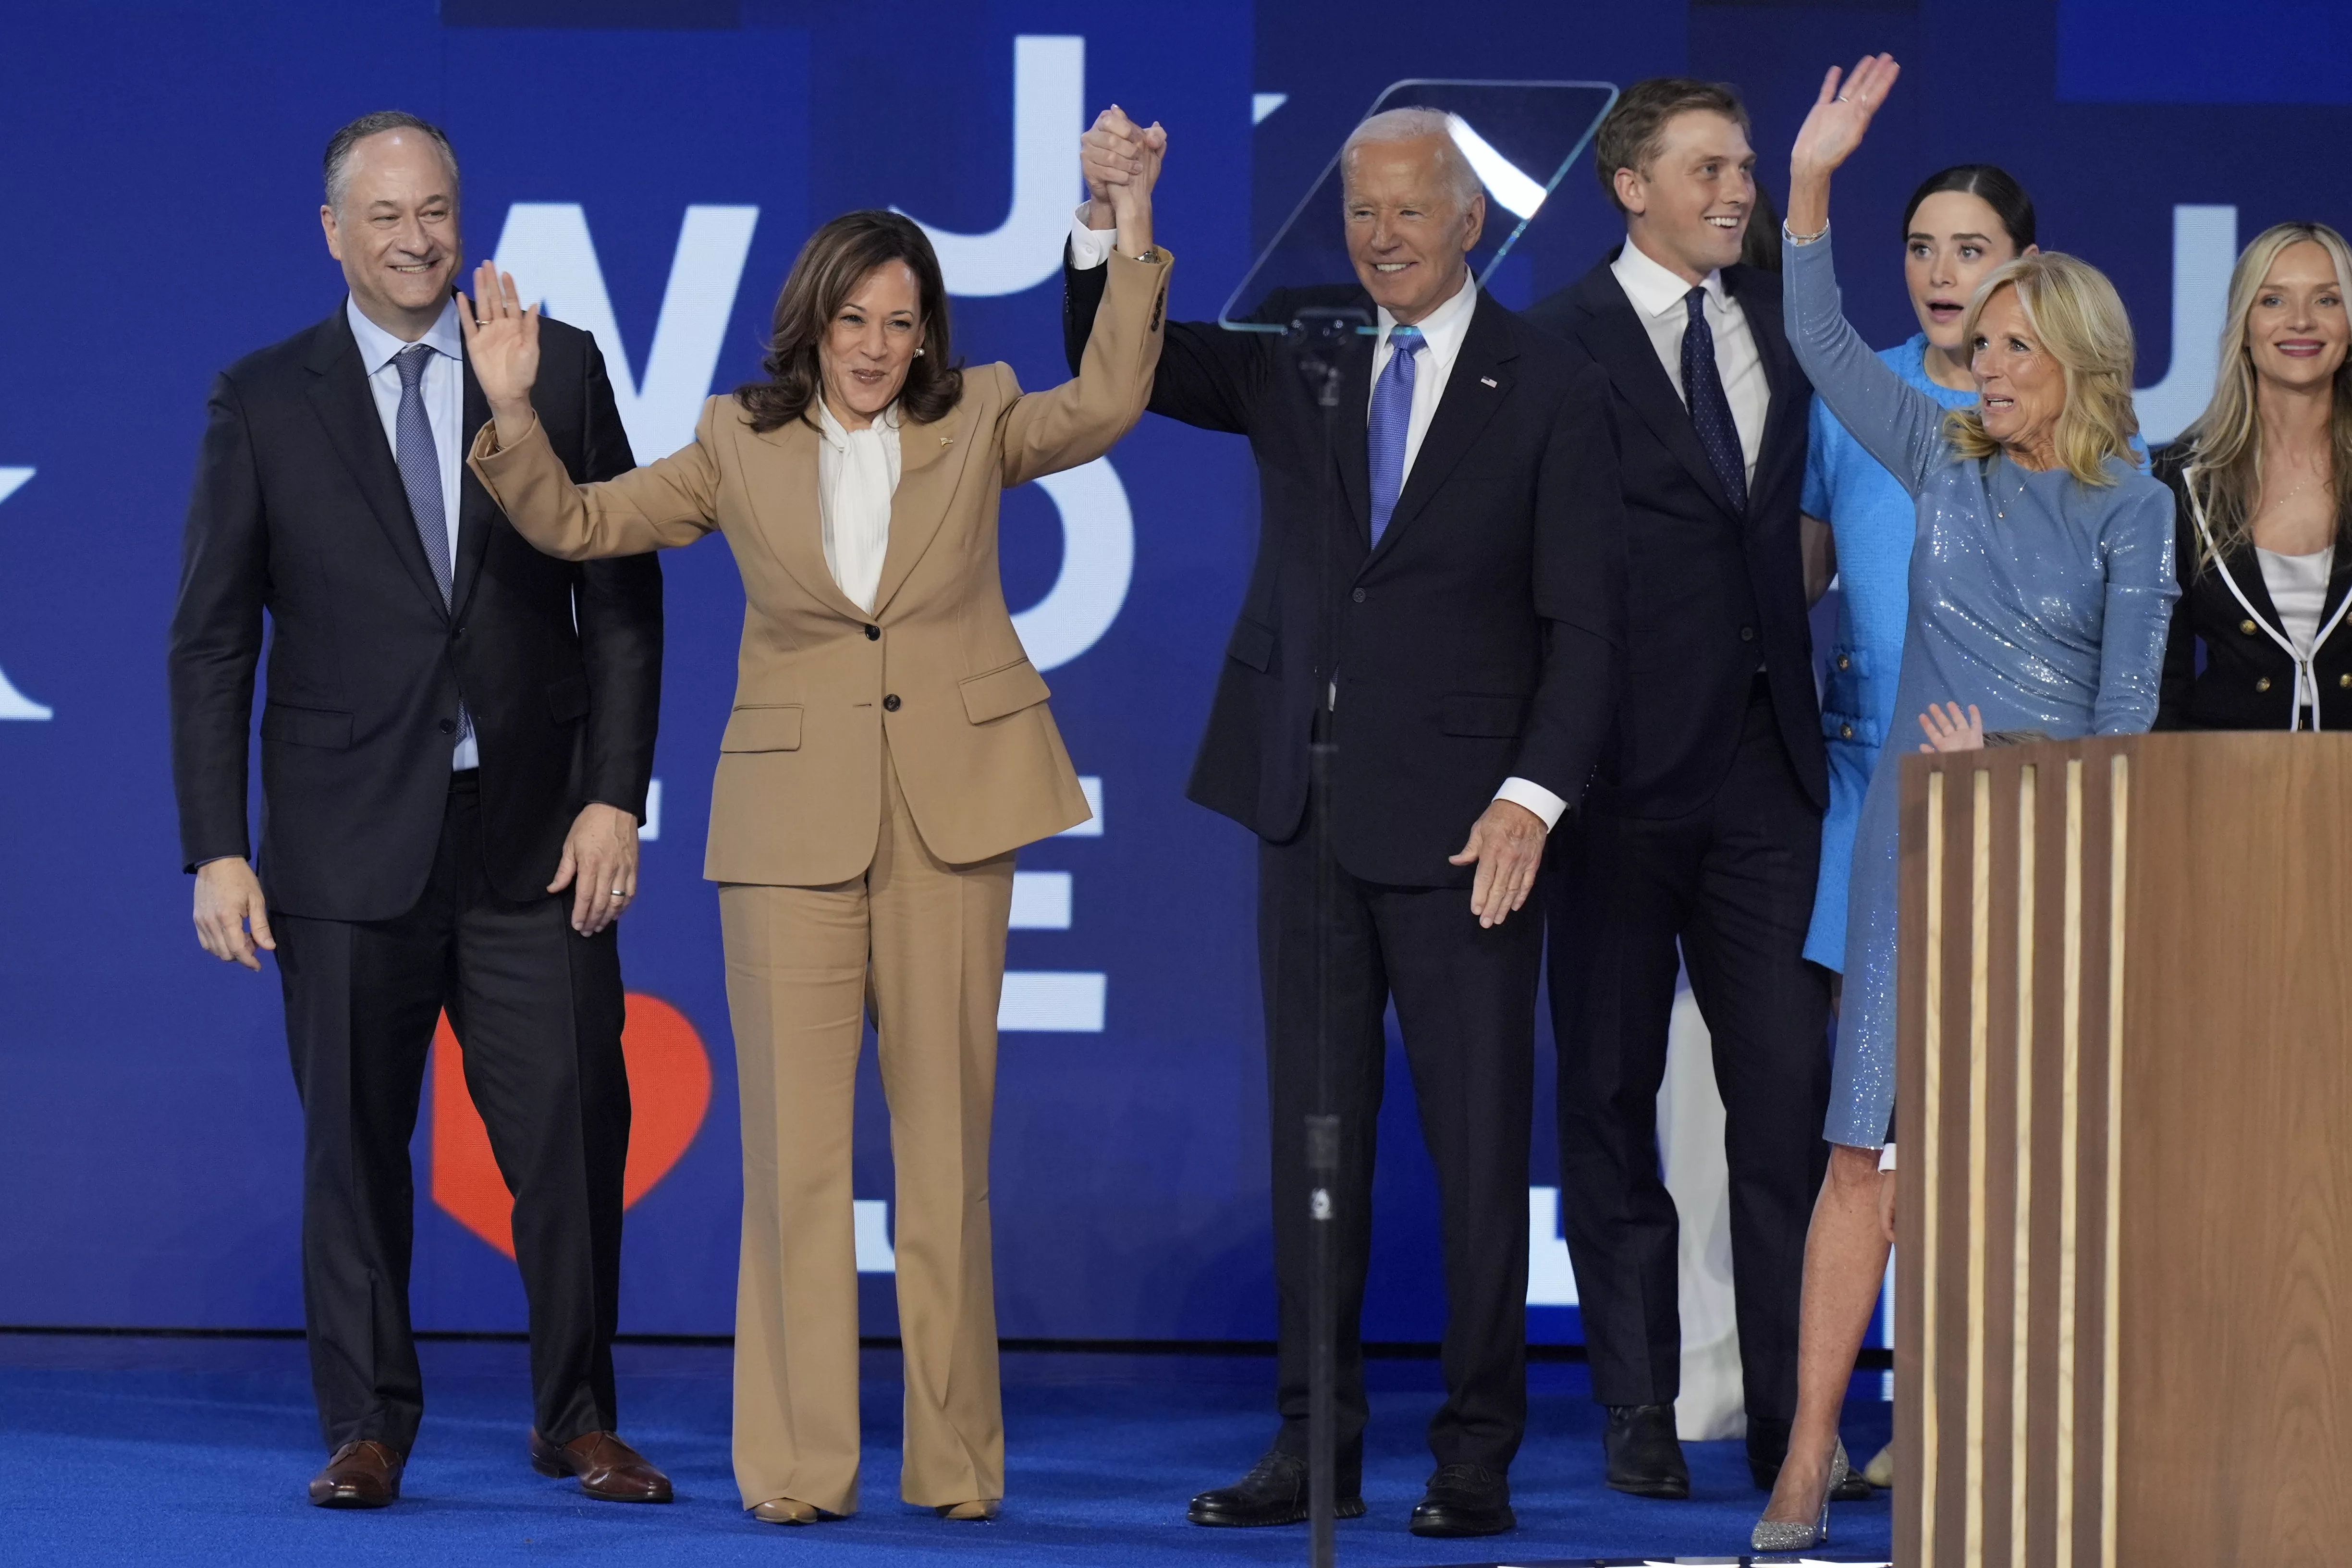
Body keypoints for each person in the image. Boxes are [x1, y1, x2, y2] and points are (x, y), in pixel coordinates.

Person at [460, 121, 1170, 1525]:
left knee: (945, 1157)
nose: (877, 341)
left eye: (902, 321)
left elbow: (1106, 402)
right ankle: (797, 1466)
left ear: (927, 333)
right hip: (788, 833)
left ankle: (957, 1467)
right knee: (793, 1161)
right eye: (856, 316)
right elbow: (585, 523)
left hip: (953, 821)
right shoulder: (737, 436)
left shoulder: (979, 419)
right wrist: (513, 409)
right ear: (815, 319)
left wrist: (1123, 224)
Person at [1064, 106, 1625, 1541]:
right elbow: (1117, 366)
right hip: (1303, 802)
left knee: (1482, 1149)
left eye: (1406, 211)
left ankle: (1477, 1448)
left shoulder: (1549, 381)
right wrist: (1110, 216)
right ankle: (1315, 1443)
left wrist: (1533, 795)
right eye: (1361, 211)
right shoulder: (1300, 349)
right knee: (1318, 1146)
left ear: (1471, 221)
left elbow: (1588, 625)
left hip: (1468, 829)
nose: (1378, 236)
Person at [168, 112, 668, 1510]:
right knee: (352, 1149)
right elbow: (212, 637)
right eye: (385, 215)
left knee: (574, 1133)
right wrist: (217, 841)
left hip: (532, 837)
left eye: (436, 209)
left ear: (465, 216)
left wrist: (613, 796)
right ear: (333, 232)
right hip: (340, 842)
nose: (416, 236)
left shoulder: (554, 371)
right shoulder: (263, 398)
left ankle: (578, 1414)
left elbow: (623, 605)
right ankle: (369, 1421)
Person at [1754, 55, 2177, 1551]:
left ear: (2076, 358)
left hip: (2050, 855)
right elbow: (1812, 327)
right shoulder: (1933, 455)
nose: (1979, 367)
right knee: (1861, 1147)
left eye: (2009, 346)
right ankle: (1809, 1451)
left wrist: (2010, 781)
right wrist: (1811, 176)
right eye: (1976, 344)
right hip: (1912, 850)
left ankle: (1992, 1448)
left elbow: (2128, 717)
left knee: (2030, 1156)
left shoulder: (2137, 505)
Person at [1521, 77, 1829, 1501]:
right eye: (1710, 166)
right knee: (1608, 1094)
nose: (1739, 188)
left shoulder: (1784, 318)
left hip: (1769, 778)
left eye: (1749, 166)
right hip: (1615, 784)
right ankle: (1637, 1403)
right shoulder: (1554, 346)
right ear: (1628, 184)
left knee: (1785, 1111)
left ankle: (1790, 1424)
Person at [1789, 159, 2040, 1500]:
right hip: (1861, 792)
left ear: (2027, 264)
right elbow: (1801, 588)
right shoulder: (1863, 400)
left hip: (2008, 807)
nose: (1944, 274)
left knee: (1977, 1130)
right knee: (1859, 1122)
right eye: (1924, 248)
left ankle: (1941, 1410)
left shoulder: (2052, 420)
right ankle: (1812, 1426)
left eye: (1974, 247)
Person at [2155, 222, 2352, 731]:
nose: (2302, 321)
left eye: (2327, 300)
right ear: (2243, 325)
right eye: (2274, 301)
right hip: (2226, 780)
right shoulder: (2180, 479)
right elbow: (2163, 676)